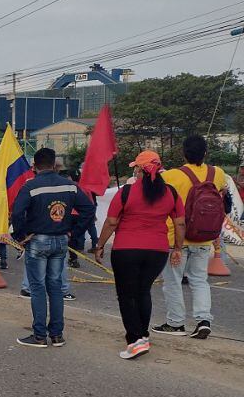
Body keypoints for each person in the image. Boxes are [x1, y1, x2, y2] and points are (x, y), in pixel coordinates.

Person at [94, 151, 185, 359]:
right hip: (158, 251)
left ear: (139, 169)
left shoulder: (126, 192)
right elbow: (180, 222)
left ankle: (135, 340)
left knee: (127, 295)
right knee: (143, 291)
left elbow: (111, 222)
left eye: (135, 167)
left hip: (126, 249)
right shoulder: (170, 193)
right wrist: (178, 248)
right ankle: (142, 335)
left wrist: (99, 245)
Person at [11, 148, 95, 348]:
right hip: (61, 241)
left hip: (38, 240)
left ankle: (39, 335)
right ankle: (57, 334)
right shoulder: (70, 186)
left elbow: (17, 213)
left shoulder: (30, 186)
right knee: (56, 287)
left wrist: (21, 236)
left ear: (35, 166)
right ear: (54, 164)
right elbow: (88, 210)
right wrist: (74, 233)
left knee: (38, 287)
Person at [152, 135, 228, 339]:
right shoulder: (218, 173)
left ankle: (175, 323)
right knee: (200, 280)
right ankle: (204, 320)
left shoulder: (171, 176)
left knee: (173, 281)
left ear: (183, 153)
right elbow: (223, 193)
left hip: (175, 238)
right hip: (205, 237)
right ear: (206, 152)